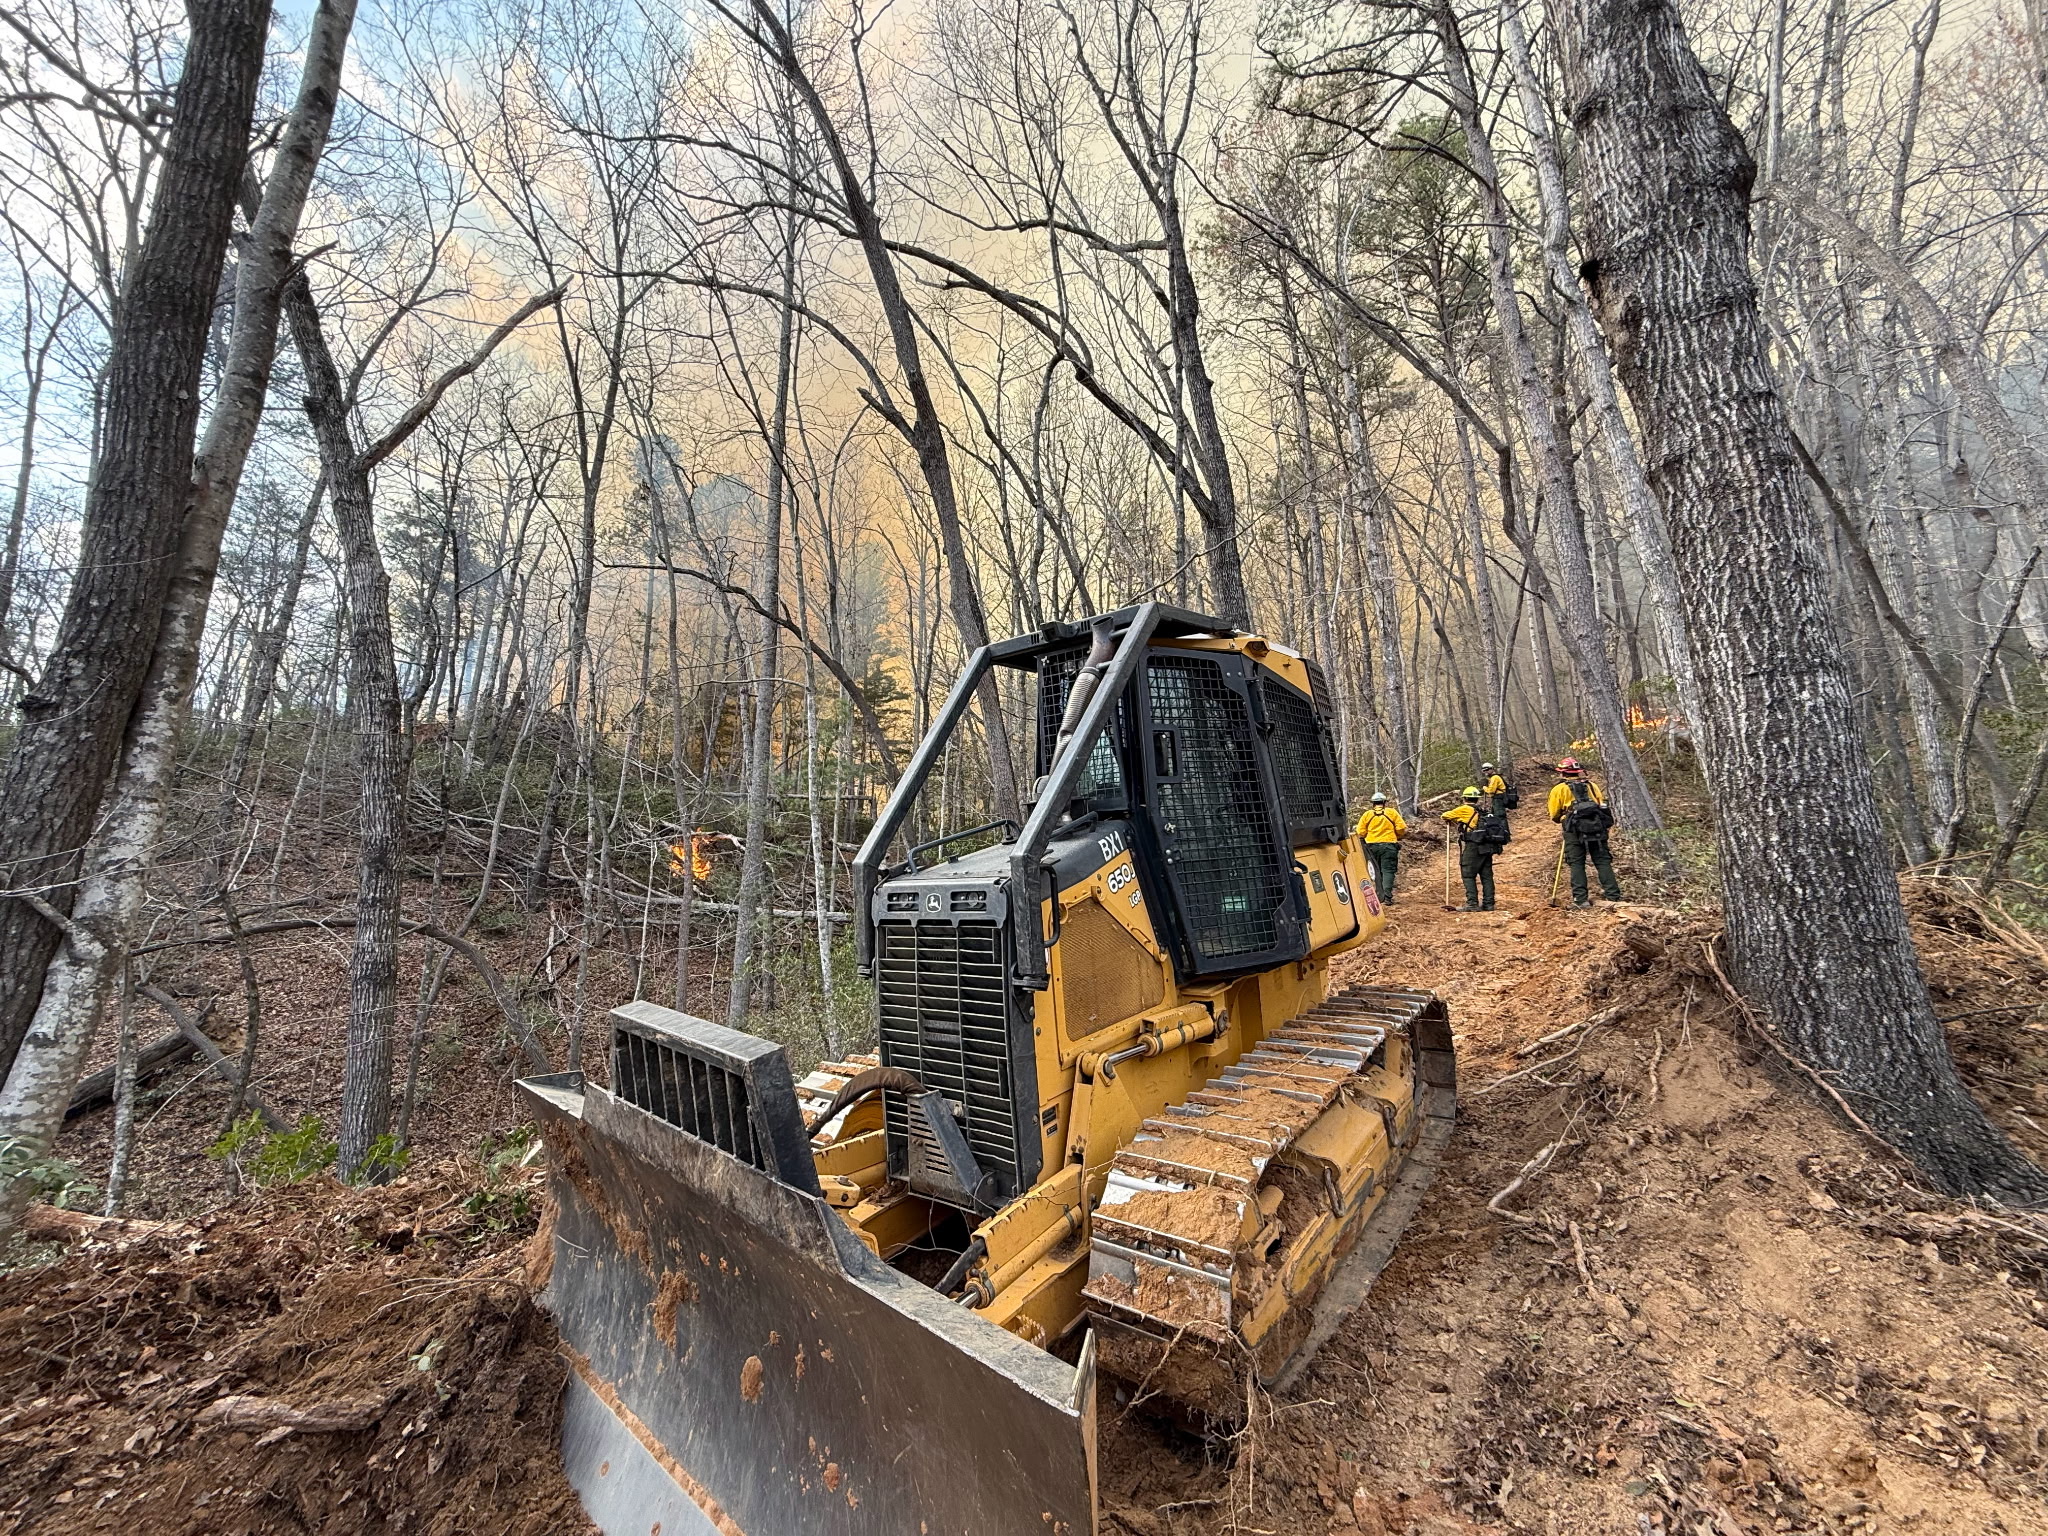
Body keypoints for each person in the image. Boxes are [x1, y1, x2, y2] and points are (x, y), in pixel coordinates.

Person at [1547, 757, 1623, 907]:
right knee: (1602, 861)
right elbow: (1600, 804)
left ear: (1563, 773)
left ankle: (1581, 900)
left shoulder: (1559, 789)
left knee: (1576, 863)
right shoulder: (1592, 786)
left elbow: (1554, 814)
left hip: (1573, 830)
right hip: (1597, 828)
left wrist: (1563, 818)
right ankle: (1613, 897)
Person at [1442, 786, 1509, 911]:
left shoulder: (1464, 809)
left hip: (1474, 845)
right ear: (1476, 799)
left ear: (1465, 798)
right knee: (1486, 875)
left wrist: (1457, 821)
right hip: (1487, 846)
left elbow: (1445, 815)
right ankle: (1489, 904)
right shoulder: (1483, 811)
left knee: (1467, 873)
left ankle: (1472, 903)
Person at [1354, 792, 1407, 906]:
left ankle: (1379, 897)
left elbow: (1360, 832)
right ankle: (1387, 897)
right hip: (1389, 846)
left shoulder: (1367, 815)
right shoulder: (1391, 812)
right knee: (1388, 870)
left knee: (1375, 872)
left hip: (1371, 847)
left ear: (1373, 803)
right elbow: (1402, 828)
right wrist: (1396, 835)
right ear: (1384, 802)